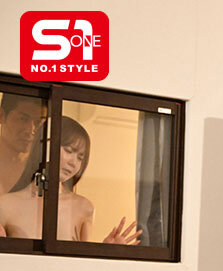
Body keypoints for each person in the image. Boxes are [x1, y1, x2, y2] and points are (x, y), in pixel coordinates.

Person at [0, 116, 142, 244]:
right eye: (69, 151)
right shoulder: (6, 204)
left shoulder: (84, 207)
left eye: (80, 157)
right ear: (45, 147)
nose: (73, 162)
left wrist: (105, 251)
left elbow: (82, 261)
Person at [0, 93, 47, 194]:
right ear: (2, 115)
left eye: (38, 122)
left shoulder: (42, 170)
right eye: (23, 119)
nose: (30, 130)